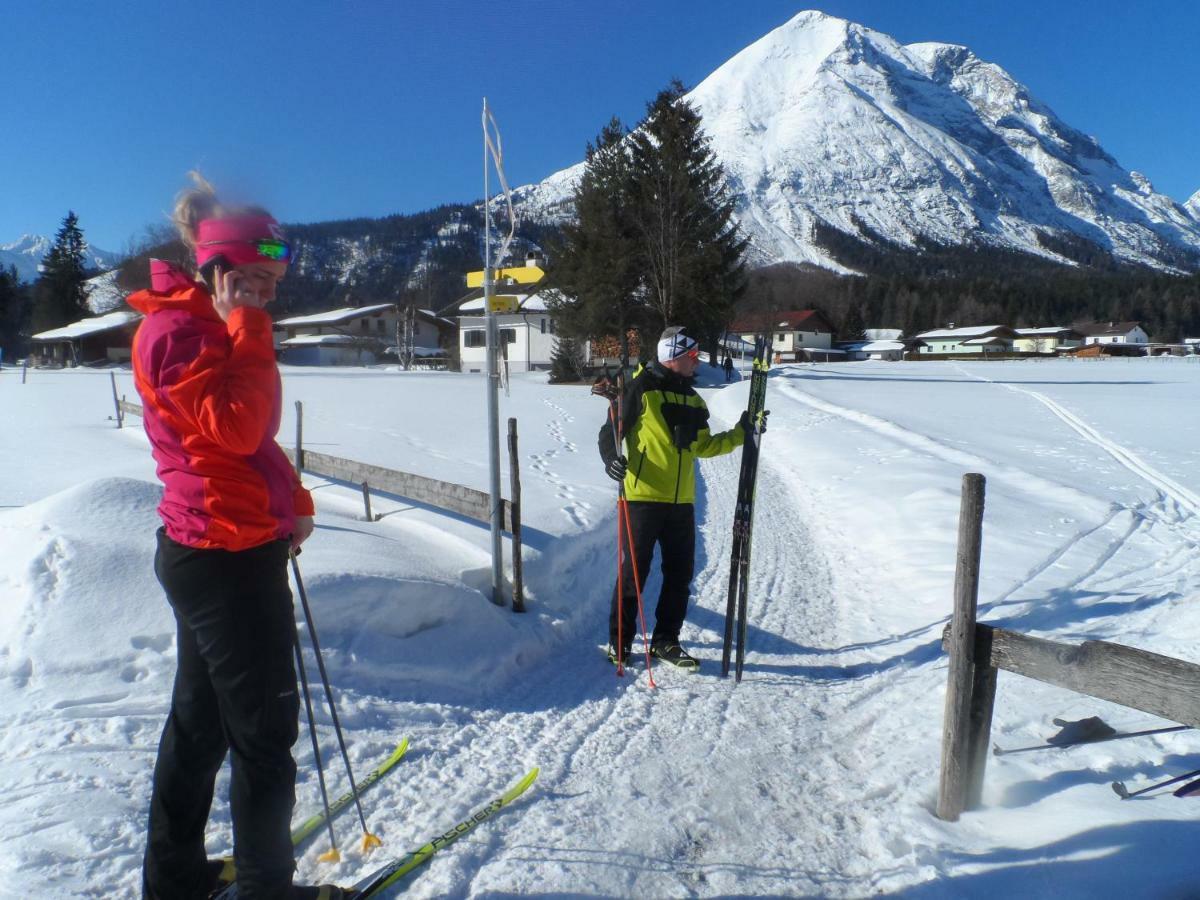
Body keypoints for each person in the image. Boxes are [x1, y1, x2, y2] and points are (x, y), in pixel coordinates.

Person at [129, 173, 344, 899]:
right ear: (216, 271)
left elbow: (239, 449)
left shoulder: (203, 325)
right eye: (256, 280)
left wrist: (292, 499)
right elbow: (241, 424)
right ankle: (265, 889)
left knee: (203, 725)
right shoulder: (178, 333)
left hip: (223, 544)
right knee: (264, 739)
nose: (268, 296)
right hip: (222, 558)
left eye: (274, 282)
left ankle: (176, 876)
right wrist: (249, 329)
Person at [598, 325, 762, 670]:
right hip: (642, 498)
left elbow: (704, 446)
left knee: (680, 574)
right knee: (634, 574)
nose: (696, 363)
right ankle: (620, 642)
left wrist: (740, 433)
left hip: (681, 502)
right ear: (673, 357)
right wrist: (612, 458)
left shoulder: (692, 398)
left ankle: (665, 642)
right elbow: (611, 428)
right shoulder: (641, 388)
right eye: (691, 357)